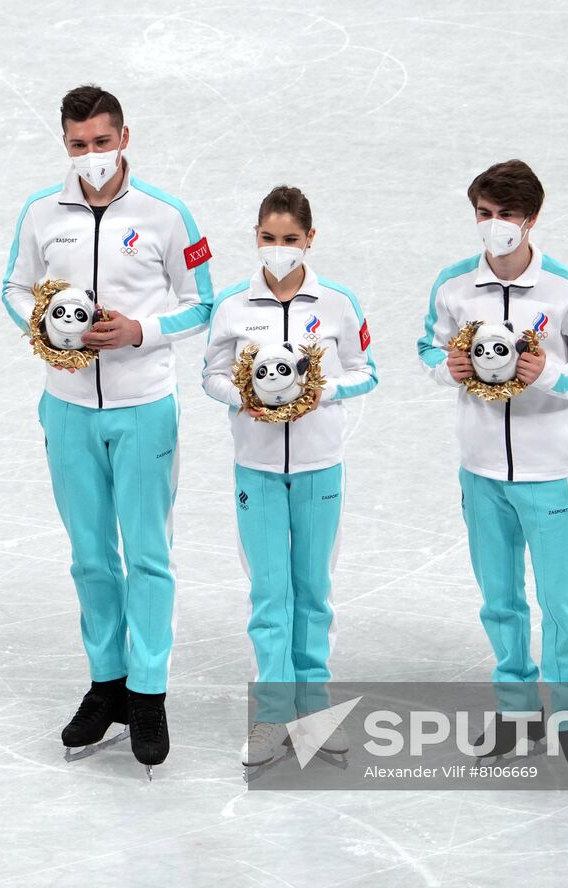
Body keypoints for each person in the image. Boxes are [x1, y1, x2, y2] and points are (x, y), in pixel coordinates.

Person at [1, 84, 215, 776]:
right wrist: (47, 329)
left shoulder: (165, 216)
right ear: (65, 143)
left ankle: (148, 692)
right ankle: (108, 684)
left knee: (148, 554)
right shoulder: (41, 213)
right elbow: (13, 286)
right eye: (78, 144)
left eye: (102, 141)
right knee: (90, 555)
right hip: (66, 408)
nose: (91, 156)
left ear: (125, 137)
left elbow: (202, 302)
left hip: (143, 405)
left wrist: (139, 331)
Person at [416, 160, 568, 777]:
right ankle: (517, 712)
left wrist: (547, 374)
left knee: (560, 601)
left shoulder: (566, 289)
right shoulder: (453, 286)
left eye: (506, 216)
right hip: (479, 471)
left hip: (549, 469)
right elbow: (428, 344)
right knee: (500, 600)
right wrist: (440, 365)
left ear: (531, 219)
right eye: (485, 214)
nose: (494, 226)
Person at [201, 186, 376, 774]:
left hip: (319, 467)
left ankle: (316, 713)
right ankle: (273, 713)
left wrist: (319, 390)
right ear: (256, 239)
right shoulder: (233, 305)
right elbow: (211, 376)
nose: (279, 250)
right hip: (256, 469)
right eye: (269, 239)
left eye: (290, 239)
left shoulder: (338, 304)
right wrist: (244, 396)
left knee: (314, 592)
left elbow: (363, 371)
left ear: (309, 239)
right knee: (270, 594)